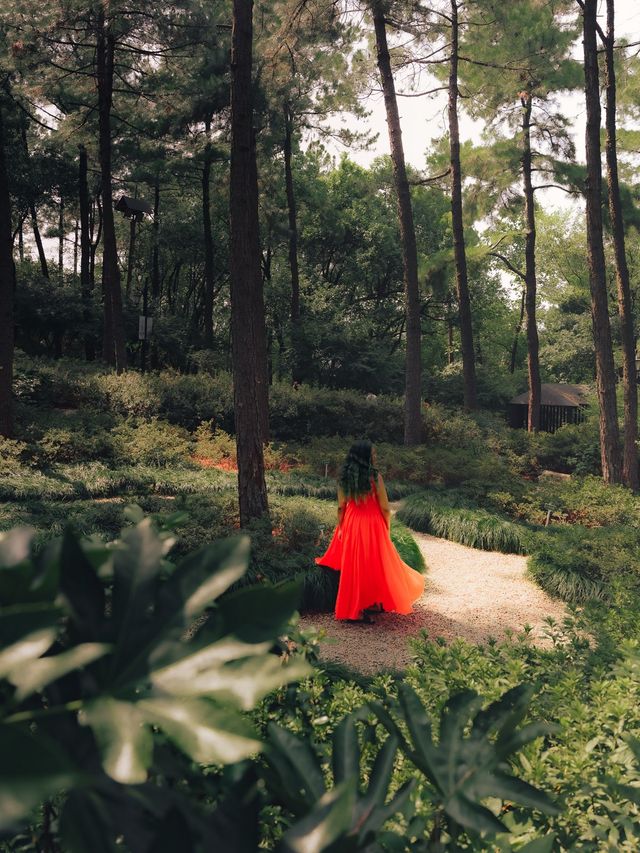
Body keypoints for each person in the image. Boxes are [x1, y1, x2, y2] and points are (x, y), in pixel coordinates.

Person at [315, 440, 425, 623]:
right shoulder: (375, 477)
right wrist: (387, 525)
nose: (375, 457)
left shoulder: (344, 478)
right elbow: (384, 507)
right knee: (375, 562)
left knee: (355, 564)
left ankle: (355, 608)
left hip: (351, 522)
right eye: (373, 454)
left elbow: (341, 507)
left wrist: (341, 527)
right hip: (372, 524)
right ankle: (371, 603)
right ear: (365, 457)